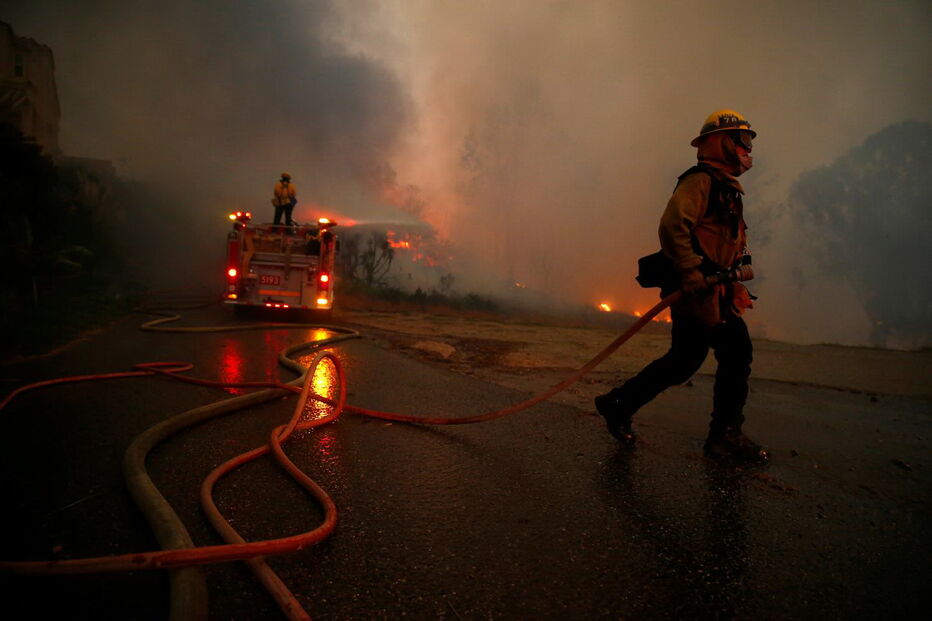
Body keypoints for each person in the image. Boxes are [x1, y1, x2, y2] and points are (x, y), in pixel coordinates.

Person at [595, 109, 768, 462]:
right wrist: (691, 272)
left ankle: (618, 403)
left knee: (683, 360)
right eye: (743, 140)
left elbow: (728, 238)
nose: (748, 148)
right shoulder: (701, 181)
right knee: (736, 351)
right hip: (699, 290)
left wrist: (739, 269)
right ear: (723, 142)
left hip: (713, 289)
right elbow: (673, 227)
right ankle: (724, 437)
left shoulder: (725, 187)